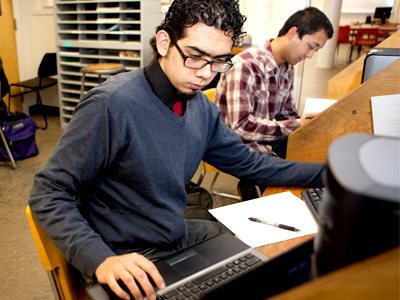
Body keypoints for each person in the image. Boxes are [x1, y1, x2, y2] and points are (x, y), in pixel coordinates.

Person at [28, 1, 326, 299]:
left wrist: (328, 174)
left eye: (219, 61)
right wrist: (100, 260)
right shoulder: (112, 105)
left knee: (279, 264)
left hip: (172, 232)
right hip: (123, 254)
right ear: (164, 42)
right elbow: (47, 191)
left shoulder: (200, 108)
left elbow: (250, 164)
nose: (206, 74)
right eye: (195, 57)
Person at [214, 7, 334, 159]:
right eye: (311, 47)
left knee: (319, 149)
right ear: (292, 33)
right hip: (237, 146)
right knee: (304, 171)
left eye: (315, 50)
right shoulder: (245, 65)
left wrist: (307, 123)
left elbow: (287, 115)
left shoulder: (288, 68)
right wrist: (298, 124)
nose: (310, 55)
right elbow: (242, 127)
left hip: (265, 140)